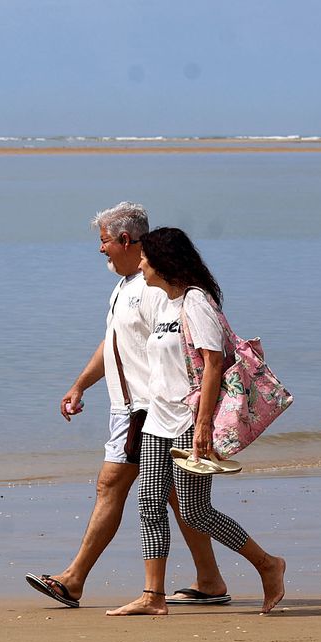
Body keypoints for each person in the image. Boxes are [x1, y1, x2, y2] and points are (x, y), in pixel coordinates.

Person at [24, 203, 229, 609]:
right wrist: (81, 384)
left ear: (123, 240)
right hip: (131, 407)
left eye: (103, 241)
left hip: (147, 409)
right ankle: (210, 579)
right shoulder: (124, 286)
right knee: (172, 494)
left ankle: (73, 579)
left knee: (113, 486)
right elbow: (114, 342)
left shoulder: (155, 290)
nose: (100, 250)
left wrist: (185, 415)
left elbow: (181, 352)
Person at [107, 226, 287, 617]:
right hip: (158, 420)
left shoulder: (196, 302)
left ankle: (268, 564)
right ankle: (152, 597)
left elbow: (213, 365)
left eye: (145, 258)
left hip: (190, 420)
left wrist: (203, 424)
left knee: (194, 511)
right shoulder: (164, 303)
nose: (140, 264)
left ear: (163, 263)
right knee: (150, 503)